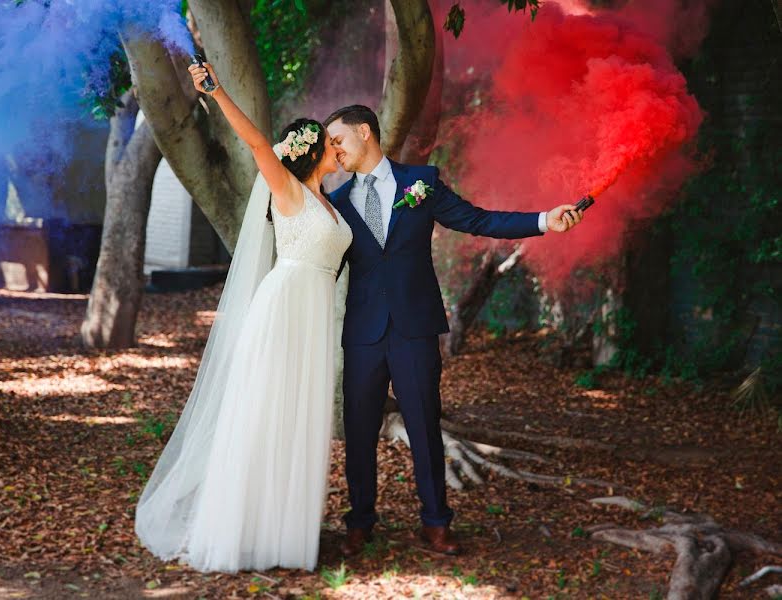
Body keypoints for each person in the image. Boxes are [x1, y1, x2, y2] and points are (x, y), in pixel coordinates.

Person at [324, 104, 583, 557]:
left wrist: (544, 220)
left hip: (415, 329)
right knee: (359, 431)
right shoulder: (338, 203)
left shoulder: (419, 184)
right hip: (363, 333)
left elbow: (478, 220)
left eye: (338, 140)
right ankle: (360, 521)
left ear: (365, 133)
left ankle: (436, 523)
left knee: (424, 426)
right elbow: (323, 265)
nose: (334, 151)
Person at [134, 61, 352, 573]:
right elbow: (258, 144)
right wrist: (217, 91)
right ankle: (236, 529)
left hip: (316, 315)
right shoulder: (289, 190)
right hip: (284, 309)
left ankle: (284, 533)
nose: (338, 150)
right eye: (330, 142)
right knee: (264, 413)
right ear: (311, 152)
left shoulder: (333, 202)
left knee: (299, 418)